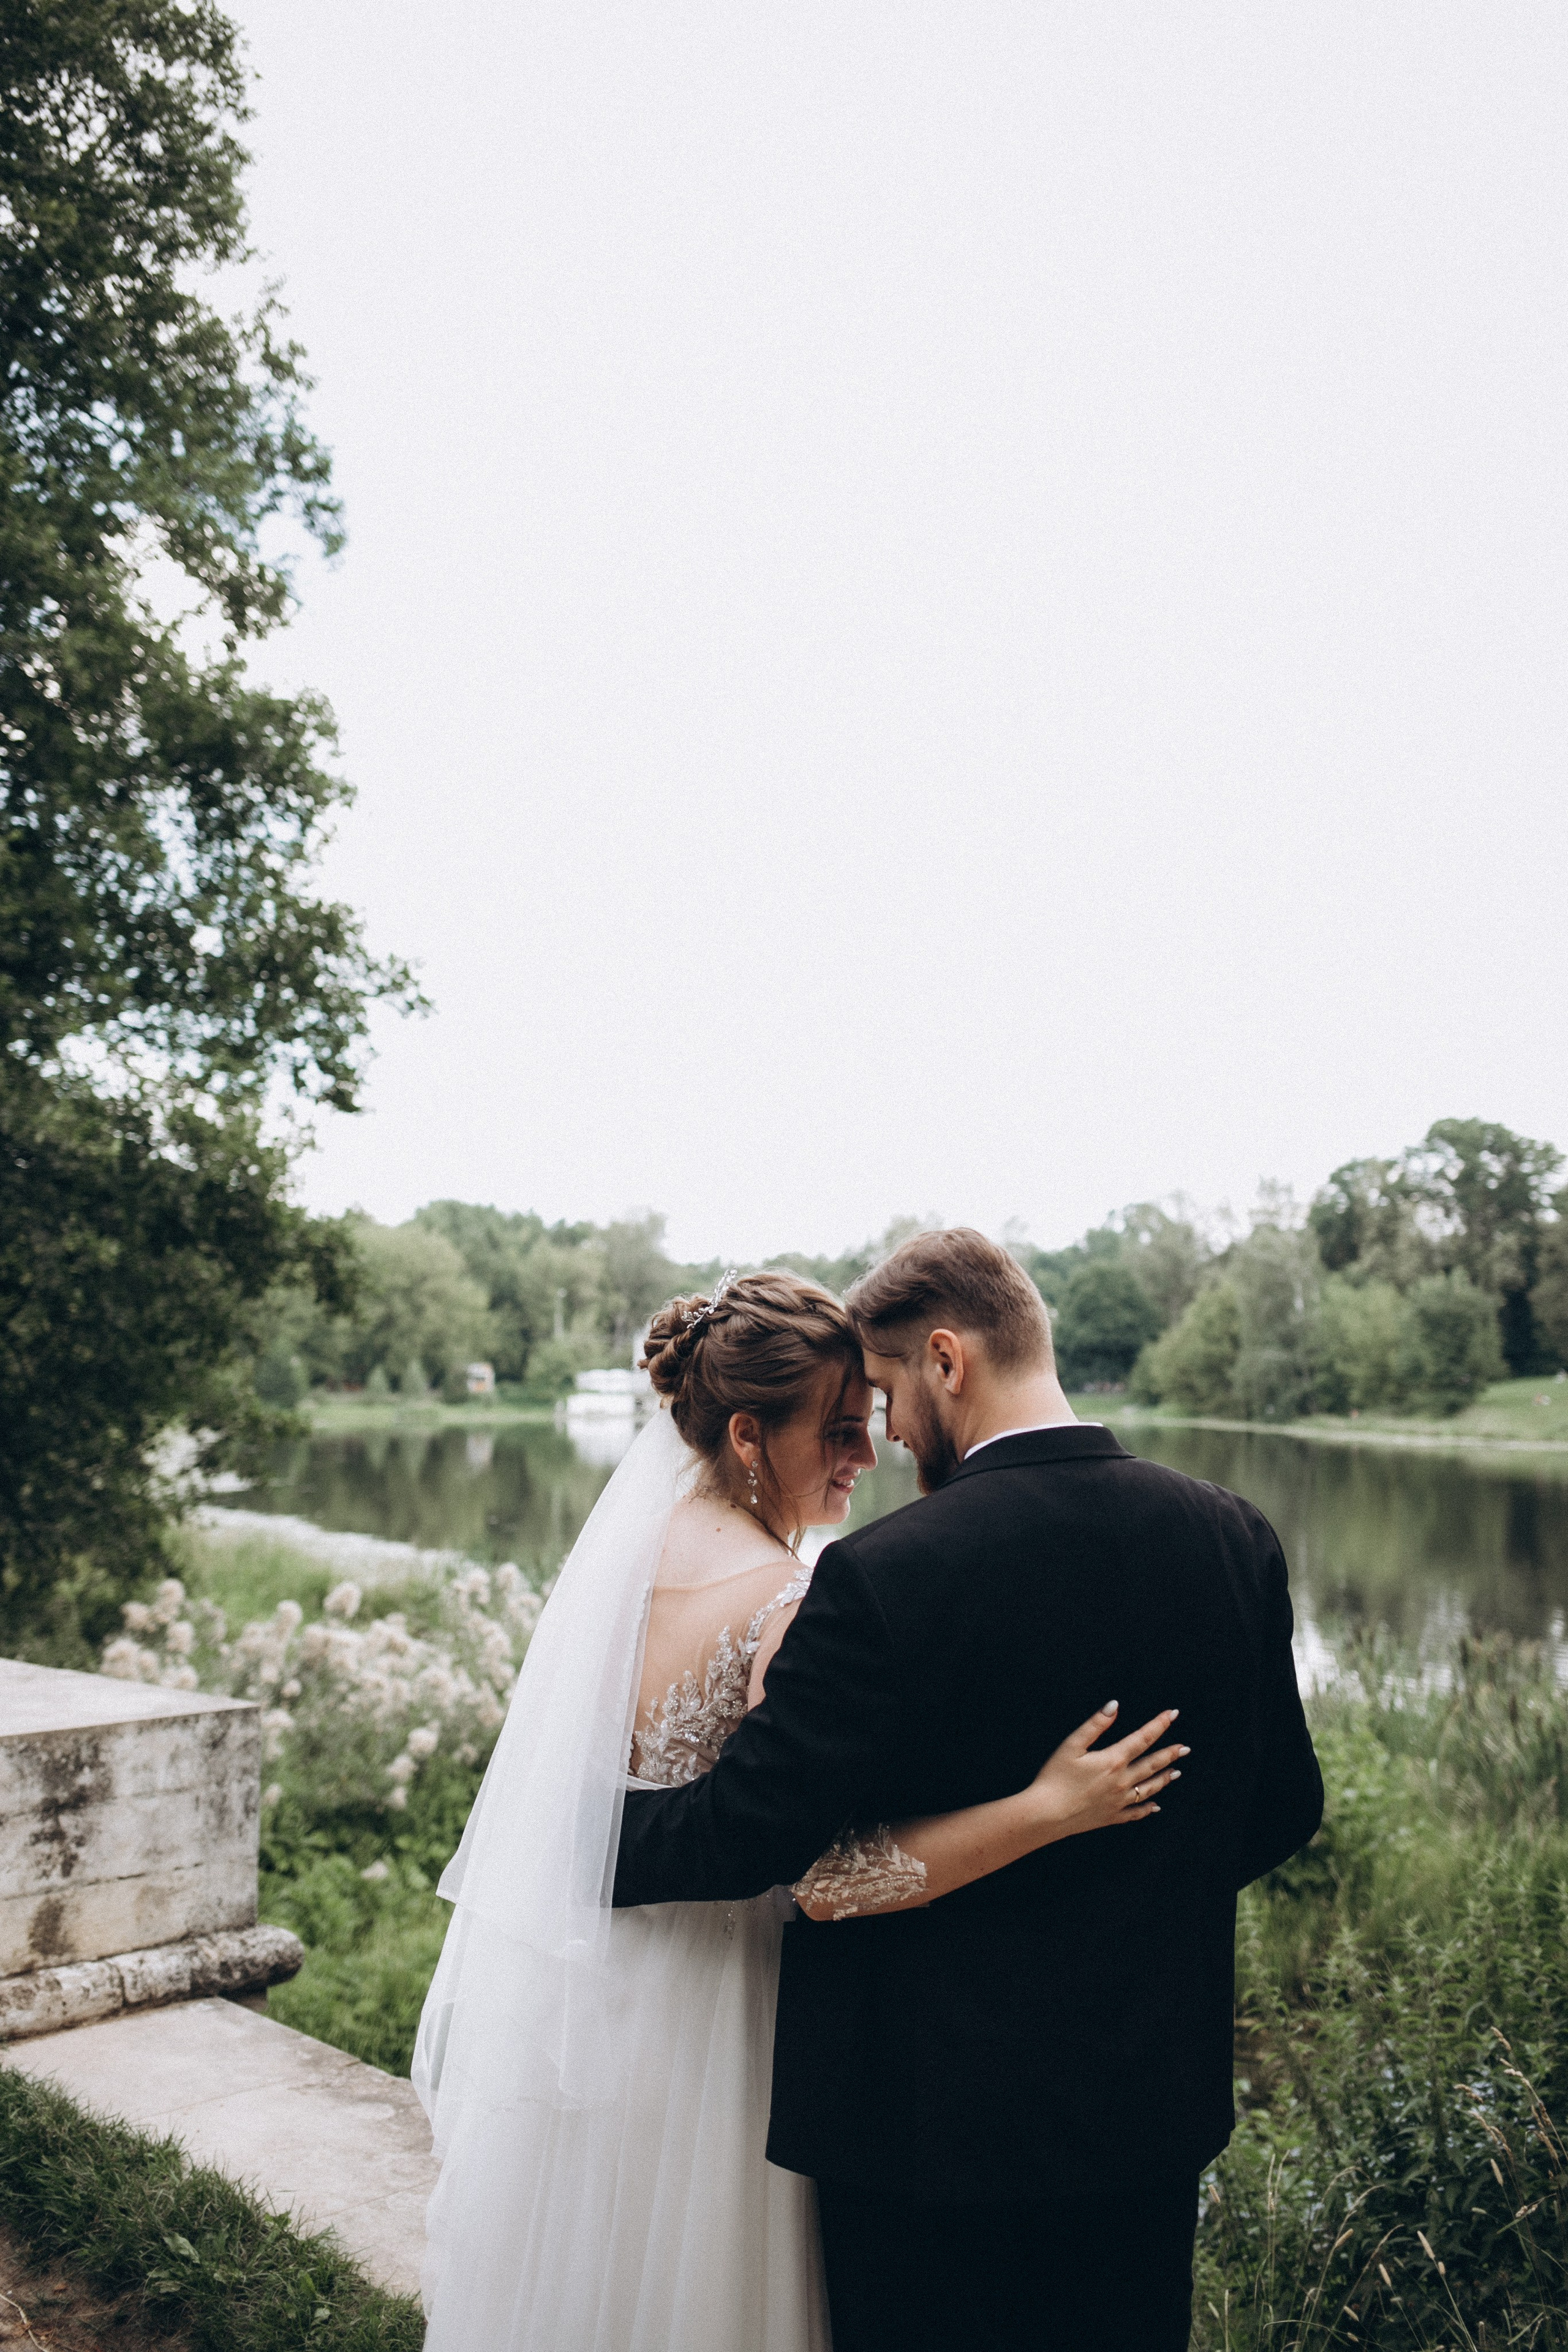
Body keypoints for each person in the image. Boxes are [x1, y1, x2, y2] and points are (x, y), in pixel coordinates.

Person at [413, 1267, 1184, 2350]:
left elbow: (585, 1796)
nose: (864, 1459)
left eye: (868, 1423)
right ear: (745, 1435)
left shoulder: (616, 1570)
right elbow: (801, 1856)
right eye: (836, 1431)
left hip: (601, 1989)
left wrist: (567, 1858)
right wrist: (1045, 1806)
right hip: (733, 2002)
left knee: (594, 2259)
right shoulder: (790, 1597)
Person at [614, 1229, 1325, 2352]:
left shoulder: (883, 1577)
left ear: (949, 1361)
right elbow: (1285, 1810)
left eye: (889, 1394)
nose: (888, 1436)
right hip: (1143, 2112)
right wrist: (1124, 1893)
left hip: (921, 2132)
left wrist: (576, 1838)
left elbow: (755, 1834)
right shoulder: (1235, 1537)